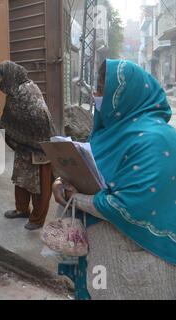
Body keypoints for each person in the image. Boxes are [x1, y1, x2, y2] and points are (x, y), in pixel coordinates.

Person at [54, 60, 176, 300]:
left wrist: (74, 197)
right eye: (97, 89)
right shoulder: (111, 130)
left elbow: (127, 205)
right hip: (100, 255)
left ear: (126, 95)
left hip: (138, 260)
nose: (97, 96)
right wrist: (61, 181)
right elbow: (90, 170)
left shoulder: (155, 140)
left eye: (102, 90)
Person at [0, 61, 56, 230]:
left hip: (40, 146)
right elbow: (11, 117)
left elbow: (40, 119)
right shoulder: (15, 91)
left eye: (0, 79)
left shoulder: (28, 91)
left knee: (40, 184)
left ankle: (37, 219)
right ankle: (22, 209)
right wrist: (2, 125)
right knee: (21, 179)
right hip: (24, 145)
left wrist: (10, 129)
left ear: (9, 76)